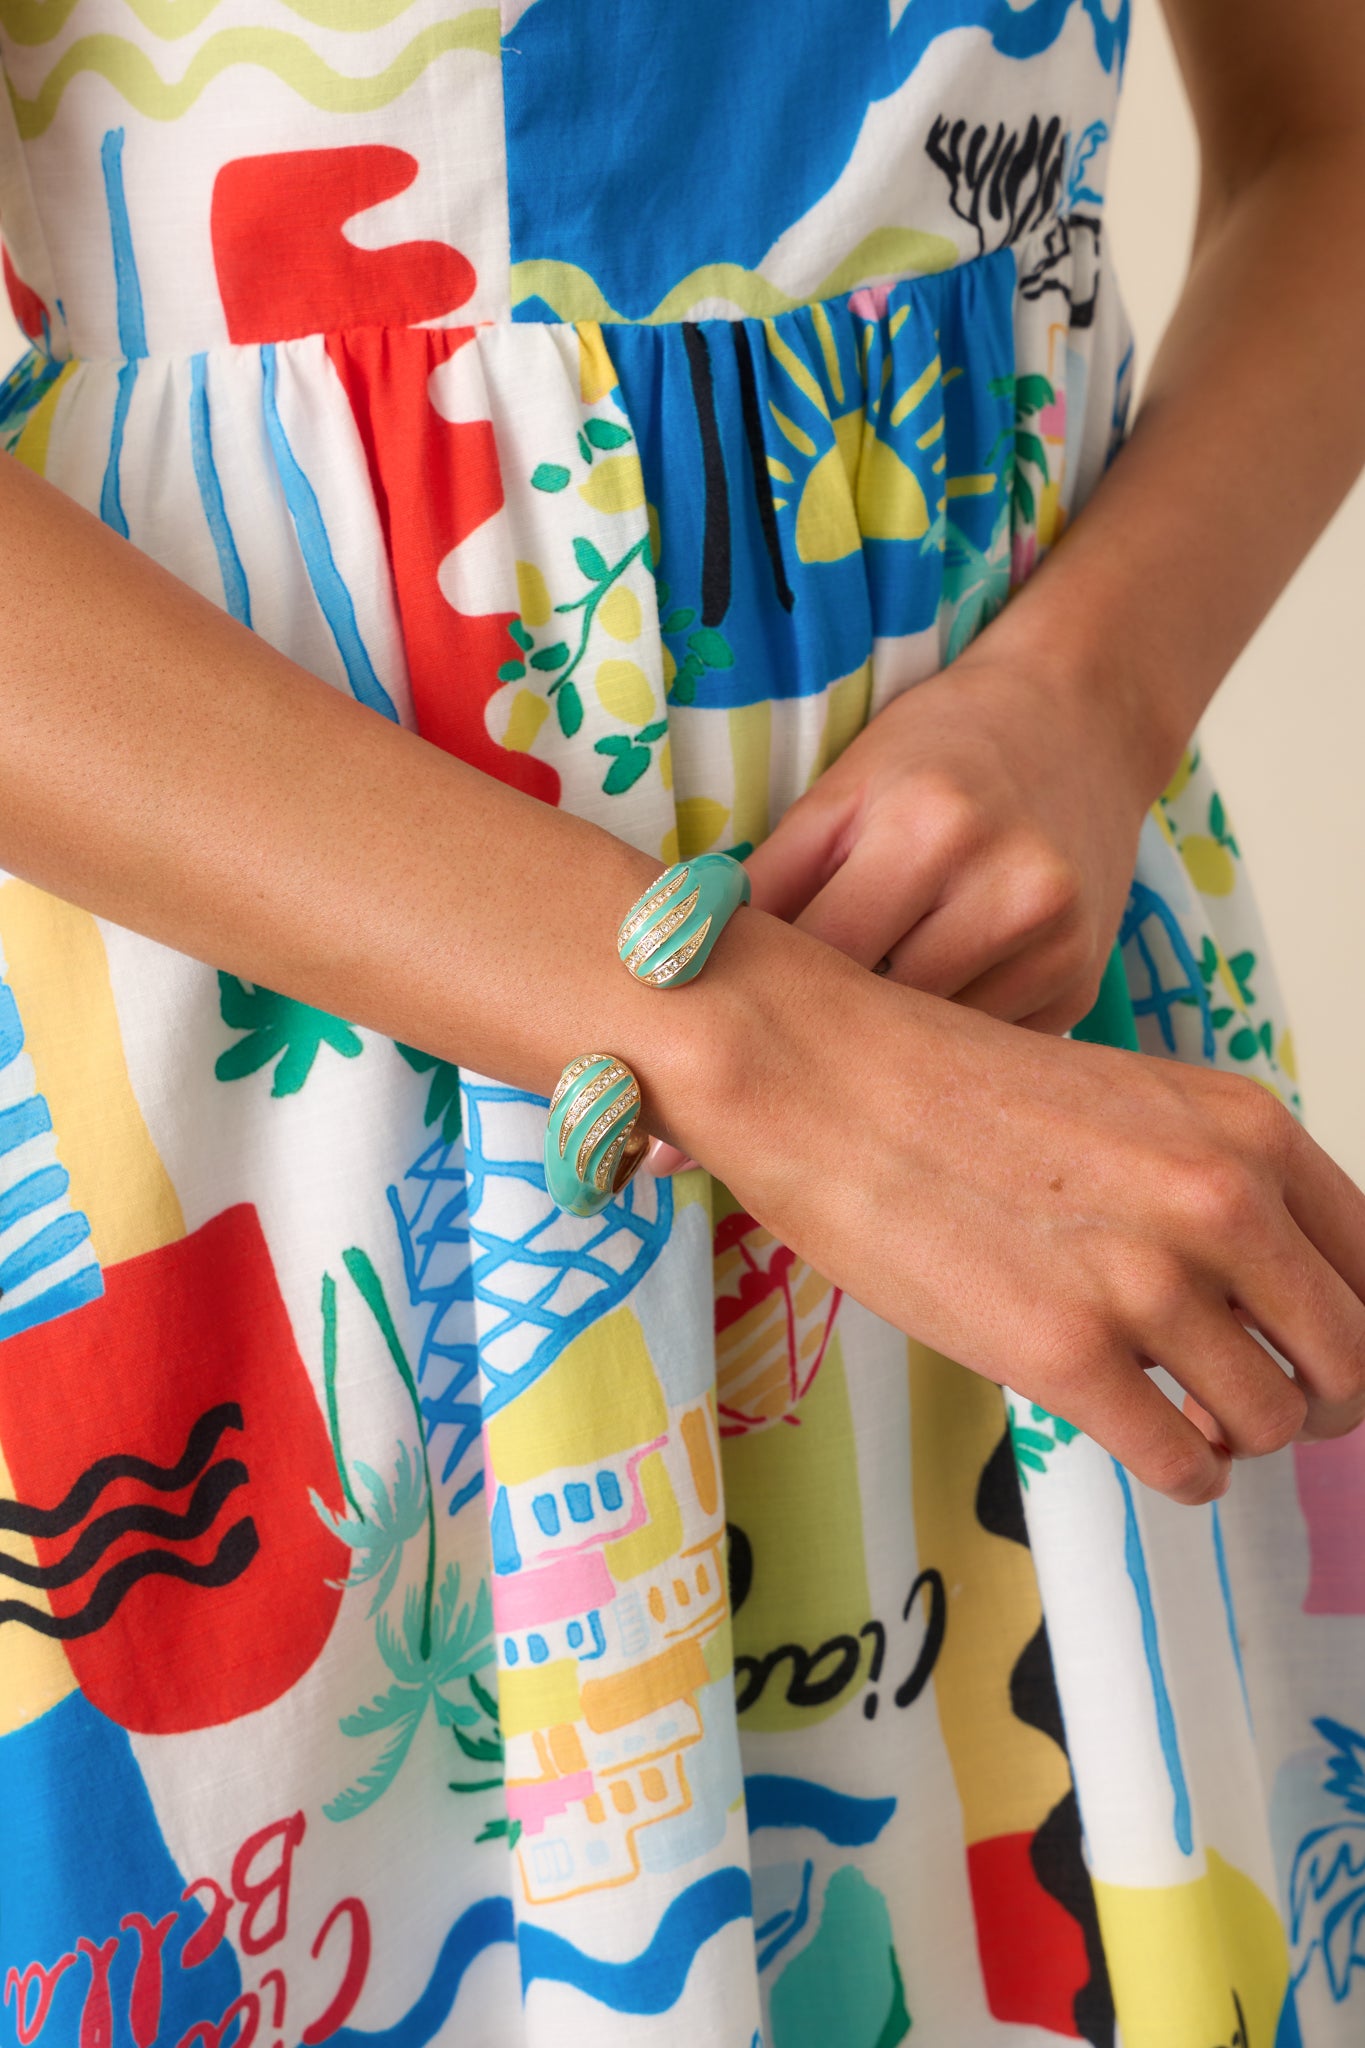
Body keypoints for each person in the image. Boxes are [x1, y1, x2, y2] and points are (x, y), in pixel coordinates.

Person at [1, 0, 1363, 2041]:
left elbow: (1328, 140)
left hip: (1023, 1062)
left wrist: (1091, 694)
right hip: (286, 1094)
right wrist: (757, 1045)